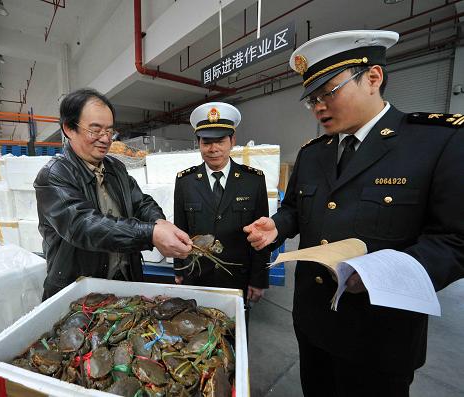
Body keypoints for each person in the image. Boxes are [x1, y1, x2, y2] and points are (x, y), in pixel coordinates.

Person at [243, 30, 464, 396]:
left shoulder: (435, 142)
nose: (318, 107)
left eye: (327, 92)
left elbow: (454, 240)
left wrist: (382, 277)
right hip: (313, 323)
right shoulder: (313, 153)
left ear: (373, 78)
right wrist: (276, 227)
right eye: (311, 99)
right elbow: (295, 209)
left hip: (379, 335)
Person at [35, 88, 192, 300]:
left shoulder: (114, 167)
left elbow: (141, 202)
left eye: (109, 131)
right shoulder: (54, 176)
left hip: (125, 283)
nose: (105, 139)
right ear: (69, 129)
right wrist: (150, 234)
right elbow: (85, 225)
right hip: (79, 292)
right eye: (95, 130)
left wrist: (158, 222)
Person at [173, 102, 270, 304]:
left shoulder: (253, 181)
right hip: (197, 276)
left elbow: (261, 236)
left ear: (232, 140)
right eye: (206, 142)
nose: (213, 148)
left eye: (220, 141)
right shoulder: (185, 182)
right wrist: (179, 270)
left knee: (235, 333)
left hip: (238, 278)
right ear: (198, 143)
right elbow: (180, 229)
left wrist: (259, 279)